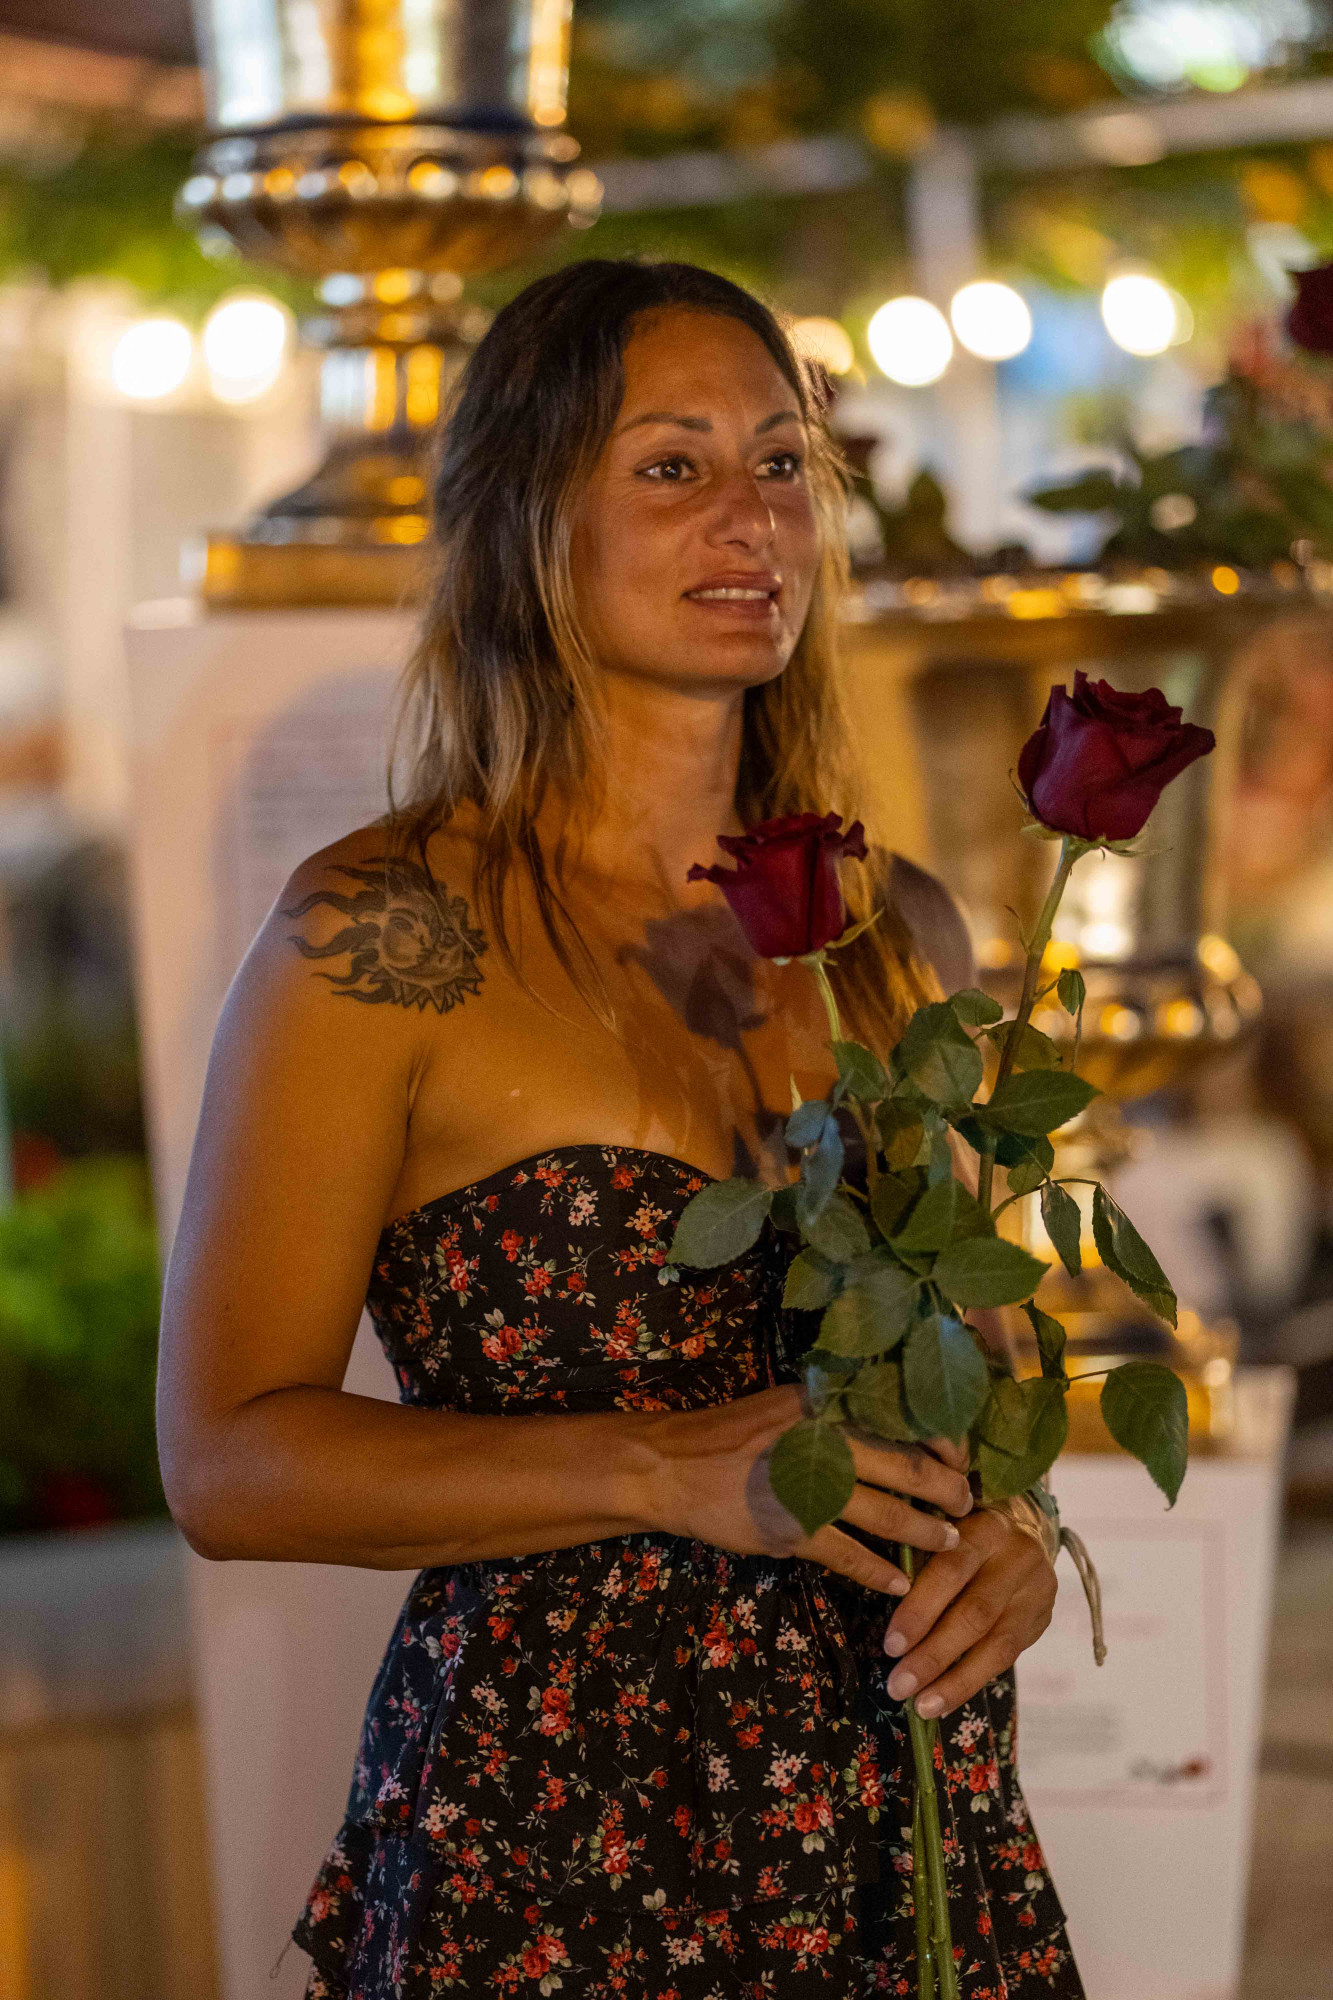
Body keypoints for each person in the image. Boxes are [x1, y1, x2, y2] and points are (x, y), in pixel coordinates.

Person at [157, 258, 1080, 1997]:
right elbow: (224, 1464)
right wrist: (655, 1466)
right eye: (671, 465)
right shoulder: (380, 936)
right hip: (550, 1833)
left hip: (888, 1821)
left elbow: (988, 1358)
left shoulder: (895, 929)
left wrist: (1011, 1537)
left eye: (781, 462)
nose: (751, 518)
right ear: (528, 519)